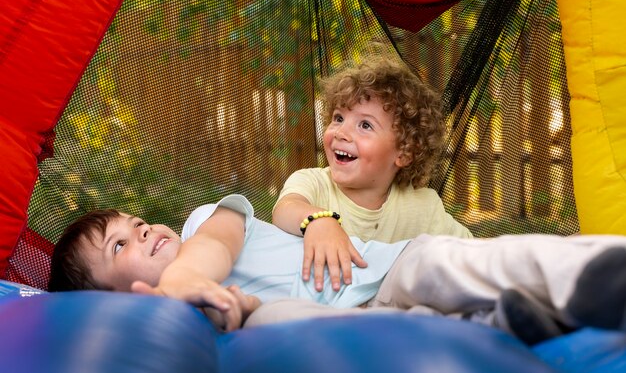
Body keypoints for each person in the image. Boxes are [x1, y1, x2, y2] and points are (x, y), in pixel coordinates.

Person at [48, 194, 626, 345]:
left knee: (456, 263)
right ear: (113, 301)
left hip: (388, 271)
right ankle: (502, 326)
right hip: (359, 322)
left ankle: (590, 271)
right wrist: (228, 306)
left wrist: (180, 280)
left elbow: (216, 246)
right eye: (119, 246)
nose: (143, 232)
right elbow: (248, 311)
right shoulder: (183, 321)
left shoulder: (205, 221)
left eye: (136, 223)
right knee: (271, 319)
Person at [272, 52, 471, 294]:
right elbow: (285, 209)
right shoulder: (314, 183)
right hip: (317, 303)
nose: (341, 132)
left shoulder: (423, 208)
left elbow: (469, 253)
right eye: (338, 118)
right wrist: (318, 221)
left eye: (364, 125)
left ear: (404, 152)